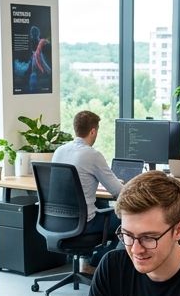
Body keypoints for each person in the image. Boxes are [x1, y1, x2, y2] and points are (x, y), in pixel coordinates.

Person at [51, 109, 125, 267]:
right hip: (84, 224)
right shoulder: (92, 155)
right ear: (93, 131)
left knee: (102, 204)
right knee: (128, 217)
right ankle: (99, 261)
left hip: (57, 221)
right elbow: (118, 192)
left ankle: (89, 259)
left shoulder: (59, 151)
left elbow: (75, 182)